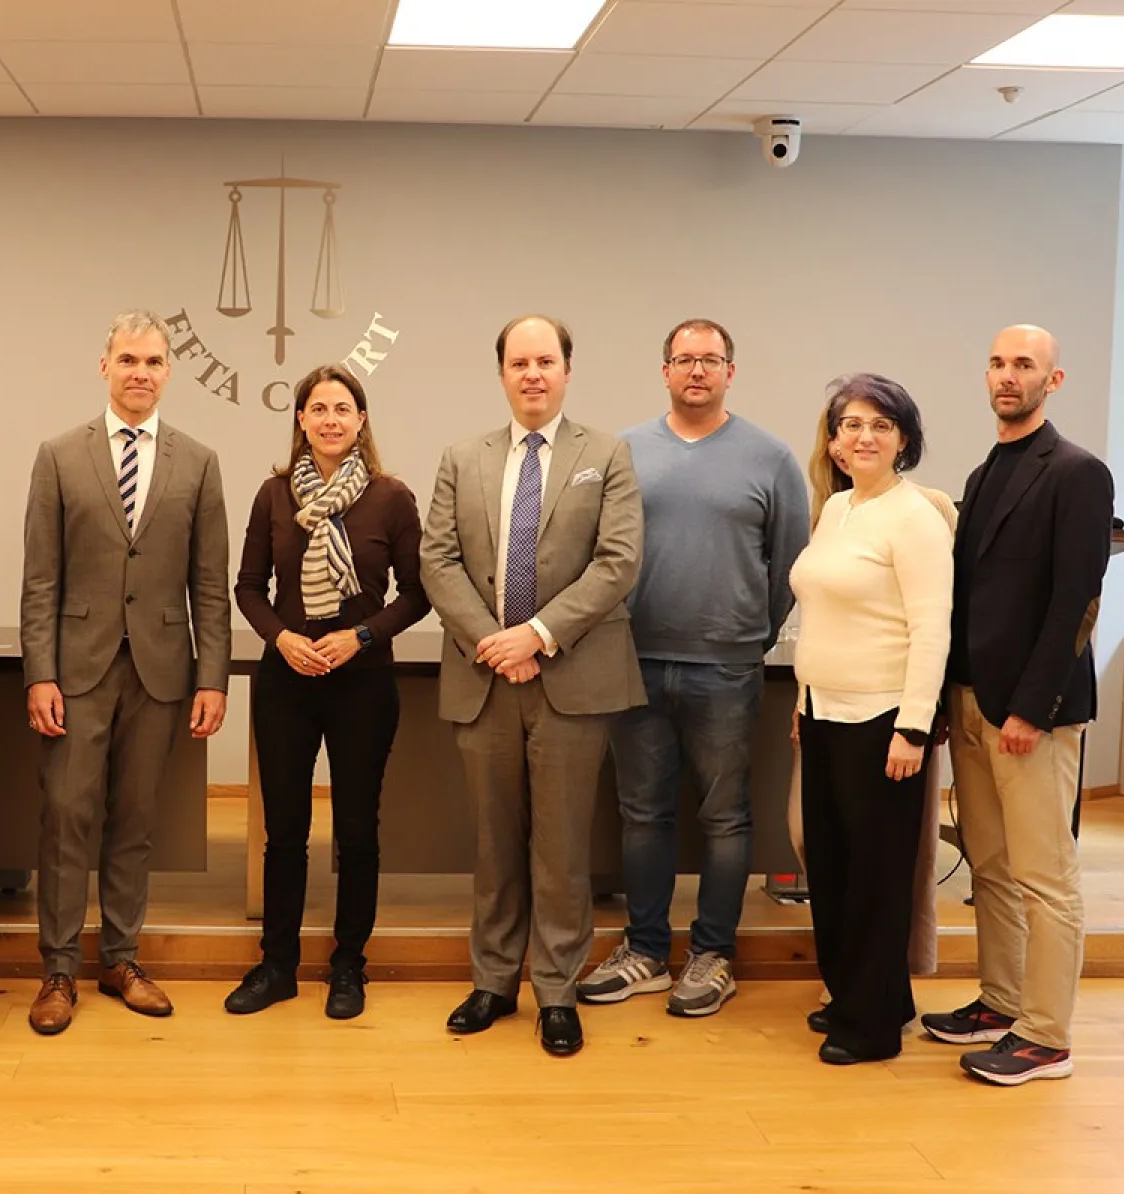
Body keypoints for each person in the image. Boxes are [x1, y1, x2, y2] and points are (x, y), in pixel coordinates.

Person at [420, 314, 644, 1057]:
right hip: (486, 676)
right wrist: (494, 642)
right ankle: (492, 982)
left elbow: (617, 563)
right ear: (502, 374)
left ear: (567, 370)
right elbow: (438, 562)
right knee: (494, 840)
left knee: (561, 845)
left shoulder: (606, 455)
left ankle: (555, 988)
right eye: (519, 362)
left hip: (570, 676)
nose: (533, 374)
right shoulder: (463, 457)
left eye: (546, 360)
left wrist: (538, 635)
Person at [579, 319, 807, 1018]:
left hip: (727, 667)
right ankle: (646, 950)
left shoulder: (771, 457)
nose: (697, 371)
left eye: (711, 360)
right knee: (641, 814)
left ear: (730, 372)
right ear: (666, 370)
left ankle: (713, 955)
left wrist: (746, 636)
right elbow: (601, 552)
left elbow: (789, 564)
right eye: (685, 359)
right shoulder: (626, 450)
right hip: (635, 661)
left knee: (724, 816)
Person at [22, 309, 231, 1037]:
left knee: (135, 821)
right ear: (103, 367)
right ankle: (57, 969)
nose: (141, 372)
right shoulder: (58, 455)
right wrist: (38, 674)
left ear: (169, 372)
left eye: (153, 361)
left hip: (161, 670)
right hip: (76, 670)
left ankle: (120, 958)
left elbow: (210, 583)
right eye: (128, 360)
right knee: (66, 818)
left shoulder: (198, 462)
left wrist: (213, 678)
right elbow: (40, 579)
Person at [921, 325, 1114, 1085]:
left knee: (1045, 874)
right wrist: (946, 699)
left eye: (1024, 365)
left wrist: (1033, 707)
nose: (1008, 376)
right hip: (971, 701)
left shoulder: (1078, 472)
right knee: (992, 868)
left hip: (1029, 714)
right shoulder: (985, 471)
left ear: (1053, 380)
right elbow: (969, 599)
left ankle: (1046, 1037)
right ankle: (1000, 1001)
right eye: (999, 363)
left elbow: (1076, 600)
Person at [225, 365, 430, 1020]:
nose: (332, 419)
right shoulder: (274, 495)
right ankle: (277, 965)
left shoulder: (391, 498)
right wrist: (282, 639)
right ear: (301, 421)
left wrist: (362, 638)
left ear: (361, 419)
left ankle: (349, 966)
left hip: (363, 684)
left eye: (344, 408)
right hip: (287, 679)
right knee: (284, 831)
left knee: (356, 830)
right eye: (319, 408)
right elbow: (249, 587)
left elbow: (420, 592)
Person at [790, 374, 952, 1065]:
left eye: (880, 426)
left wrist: (913, 727)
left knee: (875, 877)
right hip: (823, 715)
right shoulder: (838, 510)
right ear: (833, 441)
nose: (864, 437)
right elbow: (822, 612)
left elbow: (931, 629)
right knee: (830, 867)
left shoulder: (914, 516)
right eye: (851, 425)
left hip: (882, 723)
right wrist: (803, 705)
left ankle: (872, 1029)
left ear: (904, 440)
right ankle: (866, 994)